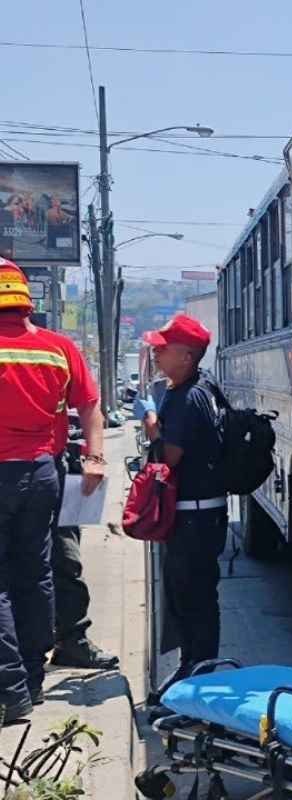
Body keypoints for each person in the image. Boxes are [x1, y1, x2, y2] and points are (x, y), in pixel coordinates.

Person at [0, 258, 104, 724]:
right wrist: (96, 457)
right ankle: (33, 678)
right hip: (44, 472)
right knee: (35, 574)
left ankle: (10, 689)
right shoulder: (58, 348)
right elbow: (90, 403)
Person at [142, 314, 226, 702]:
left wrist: (151, 425)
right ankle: (195, 667)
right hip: (203, 513)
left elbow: (169, 457)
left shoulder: (185, 396)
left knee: (190, 597)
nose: (157, 353)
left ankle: (198, 672)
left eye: (164, 348)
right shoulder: (203, 387)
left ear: (187, 355)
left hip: (192, 515)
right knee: (196, 595)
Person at [48, 414, 119, 670]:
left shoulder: (65, 371)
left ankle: (71, 642)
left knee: (66, 560)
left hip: (52, 466)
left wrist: (95, 458)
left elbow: (90, 406)